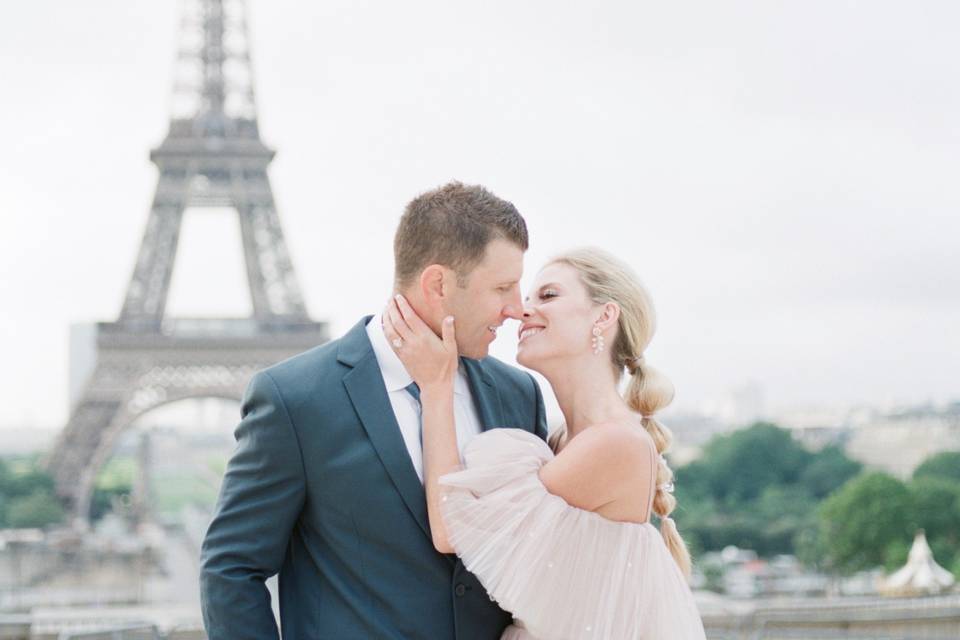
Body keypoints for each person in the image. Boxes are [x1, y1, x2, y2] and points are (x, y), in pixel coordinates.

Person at [199, 182, 548, 640]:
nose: (516, 309)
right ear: (438, 284)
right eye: (502, 287)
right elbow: (231, 569)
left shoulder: (518, 393)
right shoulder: (297, 400)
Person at [383, 247, 707, 639]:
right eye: (528, 297)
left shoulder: (616, 442)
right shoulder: (560, 441)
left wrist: (436, 387)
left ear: (604, 316)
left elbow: (453, 531)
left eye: (548, 295)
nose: (522, 310)